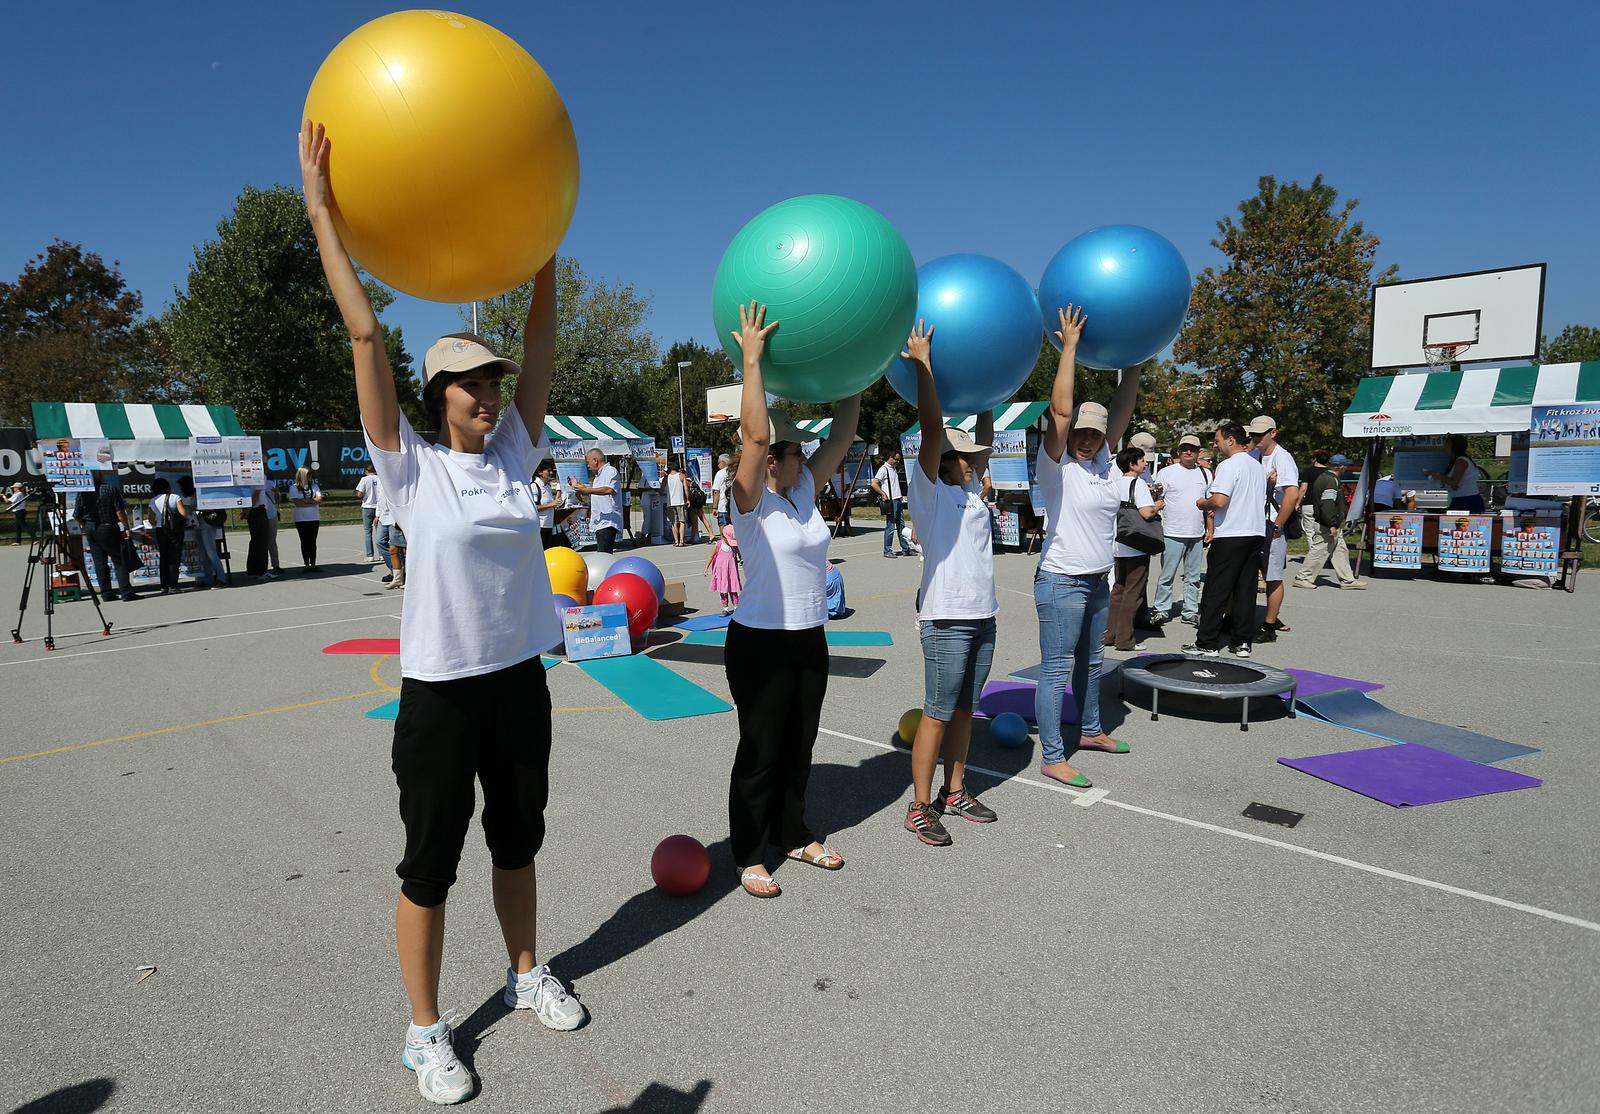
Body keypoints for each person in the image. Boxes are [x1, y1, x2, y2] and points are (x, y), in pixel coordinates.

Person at [301, 118, 582, 1107]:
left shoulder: (513, 454)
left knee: (518, 840)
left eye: (494, 381)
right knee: (430, 865)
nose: (491, 393)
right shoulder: (408, 469)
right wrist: (322, 210)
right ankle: (425, 1032)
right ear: (439, 394)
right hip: (441, 696)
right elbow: (365, 335)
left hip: (518, 683)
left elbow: (543, 341)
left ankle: (523, 973)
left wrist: (544, 247)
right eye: (473, 383)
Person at [723, 299, 861, 899]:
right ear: (771, 460)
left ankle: (793, 833)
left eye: (804, 451)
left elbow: (845, 432)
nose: (805, 456)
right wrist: (752, 360)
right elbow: (754, 435)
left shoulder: (803, 490)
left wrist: (858, 364)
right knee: (761, 750)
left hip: (808, 636)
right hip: (758, 642)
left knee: (801, 743)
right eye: (796, 450)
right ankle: (750, 853)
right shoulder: (749, 500)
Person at [900, 319, 1000, 847]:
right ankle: (919, 807)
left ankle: (955, 791)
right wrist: (924, 366)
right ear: (947, 460)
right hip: (946, 621)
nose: (976, 460)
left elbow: (985, 436)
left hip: (983, 617)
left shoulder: (972, 494)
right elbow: (931, 426)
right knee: (937, 714)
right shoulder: (930, 494)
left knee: (965, 711)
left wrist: (992, 385)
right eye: (967, 456)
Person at [1034, 305, 1140, 790]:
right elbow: (1060, 410)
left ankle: (1091, 730)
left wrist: (1136, 362)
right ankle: (1053, 756)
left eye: (1095, 434)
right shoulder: (1057, 467)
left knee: (1092, 663)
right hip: (1062, 582)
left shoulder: (1105, 465)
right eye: (1080, 432)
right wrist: (1070, 347)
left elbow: (1122, 410)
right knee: (1056, 669)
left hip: (1098, 581)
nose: (1086, 440)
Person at [1188, 422, 1267, 658]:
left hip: (1231, 533)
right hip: (1254, 532)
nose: (1215, 445)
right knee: (1245, 590)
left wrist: (1203, 503)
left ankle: (1207, 642)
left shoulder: (1228, 465)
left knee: (1217, 589)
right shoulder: (1257, 466)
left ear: (1231, 440)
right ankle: (1241, 641)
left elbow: (1220, 500)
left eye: (1218, 440)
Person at [1107, 447, 1163, 653]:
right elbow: (1147, 512)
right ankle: (1125, 639)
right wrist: (1158, 505)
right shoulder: (1137, 484)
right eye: (1142, 460)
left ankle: (1109, 634)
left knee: (1118, 590)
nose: (1145, 463)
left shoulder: (1113, 483)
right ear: (1132, 464)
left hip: (1118, 543)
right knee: (1133, 592)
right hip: (1137, 545)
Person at [1248, 416, 1299, 644]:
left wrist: (1278, 524)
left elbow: (1292, 495)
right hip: (1254, 523)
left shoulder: (1282, 457)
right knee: (1250, 574)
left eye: (1260, 434)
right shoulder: (1255, 456)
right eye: (1253, 434)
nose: (1256, 438)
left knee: (1273, 576)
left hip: (1271, 523)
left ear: (1273, 433)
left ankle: (1269, 626)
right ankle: (1263, 617)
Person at [1152, 433, 1212, 625]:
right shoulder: (1166, 473)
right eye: (1184, 448)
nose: (1188, 452)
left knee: (1193, 577)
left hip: (1196, 533)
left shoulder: (1205, 473)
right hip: (1172, 532)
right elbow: (1158, 499)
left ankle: (1190, 610)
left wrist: (1210, 529)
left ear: (1198, 452)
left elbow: (1209, 505)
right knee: (1167, 575)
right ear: (1178, 451)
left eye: (1192, 449)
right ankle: (1161, 609)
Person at [1294, 448, 1366, 590]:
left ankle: (1347, 580)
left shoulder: (1326, 477)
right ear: (1340, 467)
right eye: (1345, 466)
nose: (1346, 468)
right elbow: (1327, 504)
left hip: (1328, 522)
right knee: (1319, 551)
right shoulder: (1331, 481)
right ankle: (1302, 578)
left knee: (1340, 551)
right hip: (1326, 524)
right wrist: (1331, 524)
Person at [72, 472, 139, 602]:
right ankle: (126, 591)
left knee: (100, 562)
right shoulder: (109, 489)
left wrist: (85, 525)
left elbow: (77, 515)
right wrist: (126, 526)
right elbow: (119, 511)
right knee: (119, 560)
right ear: (98, 475)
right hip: (108, 526)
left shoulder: (83, 491)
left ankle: (106, 593)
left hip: (90, 527)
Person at [568, 449, 621, 553]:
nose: (588, 466)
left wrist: (586, 489)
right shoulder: (598, 476)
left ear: (595, 460)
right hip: (599, 521)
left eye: (588, 462)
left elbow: (609, 489)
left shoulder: (610, 471)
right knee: (602, 553)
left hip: (607, 521)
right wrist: (580, 487)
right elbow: (595, 491)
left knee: (604, 554)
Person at [146, 477, 188, 595]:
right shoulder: (175, 497)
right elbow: (183, 513)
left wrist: (159, 521)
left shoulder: (153, 501)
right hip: (175, 530)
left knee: (164, 557)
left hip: (161, 531)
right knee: (174, 557)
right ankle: (173, 585)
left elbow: (151, 520)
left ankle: (164, 586)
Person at [1425, 434, 1485, 512]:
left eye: (1447, 444)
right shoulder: (1456, 460)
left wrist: (1435, 474)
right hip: (1459, 498)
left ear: (1453, 446)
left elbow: (1454, 482)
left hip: (1467, 500)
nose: (1444, 446)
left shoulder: (1461, 461)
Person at [871, 450, 913, 558]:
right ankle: (887, 550)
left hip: (898, 500)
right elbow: (874, 483)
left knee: (901, 526)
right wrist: (883, 493)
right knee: (890, 526)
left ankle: (906, 549)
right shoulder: (883, 469)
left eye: (898, 460)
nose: (897, 462)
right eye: (896, 459)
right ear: (890, 457)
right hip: (891, 501)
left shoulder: (894, 468)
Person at [289, 466, 323, 573]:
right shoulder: (294, 488)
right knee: (304, 541)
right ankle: (306, 564)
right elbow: (297, 503)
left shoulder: (314, 486)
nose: (310, 476)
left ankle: (313, 564)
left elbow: (319, 499)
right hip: (301, 519)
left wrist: (306, 501)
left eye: (310, 474)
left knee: (312, 541)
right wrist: (311, 501)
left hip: (314, 517)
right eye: (307, 474)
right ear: (302, 475)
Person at [703, 522, 741, 614]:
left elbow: (739, 555)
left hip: (731, 573)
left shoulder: (734, 546)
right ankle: (725, 608)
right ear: (723, 536)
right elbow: (711, 557)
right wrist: (706, 568)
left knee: (733, 589)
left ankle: (736, 606)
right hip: (721, 572)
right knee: (723, 590)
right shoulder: (718, 545)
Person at [532, 460, 565, 549]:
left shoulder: (547, 486)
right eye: (548, 471)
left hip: (549, 525)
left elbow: (551, 504)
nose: (551, 473)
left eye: (552, 470)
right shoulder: (534, 486)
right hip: (540, 526)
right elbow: (533, 507)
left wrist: (556, 504)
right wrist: (551, 504)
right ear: (540, 472)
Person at [356, 463, 381, 562]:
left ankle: (370, 555)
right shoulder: (379, 478)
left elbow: (360, 493)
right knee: (380, 531)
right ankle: (382, 554)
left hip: (367, 506)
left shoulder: (364, 479)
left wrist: (361, 494)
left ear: (366, 471)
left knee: (367, 532)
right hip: (378, 506)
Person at [665, 461, 688, 546]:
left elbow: (662, 488)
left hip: (670, 502)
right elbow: (686, 488)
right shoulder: (681, 475)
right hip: (680, 501)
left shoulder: (667, 477)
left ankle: (676, 541)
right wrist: (688, 499)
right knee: (682, 521)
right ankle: (681, 541)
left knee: (673, 522)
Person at [711, 453, 733, 529]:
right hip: (733, 506)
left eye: (718, 463)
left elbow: (716, 492)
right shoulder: (734, 472)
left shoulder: (720, 473)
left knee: (724, 531)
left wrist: (715, 507)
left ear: (723, 463)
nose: (718, 465)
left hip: (723, 507)